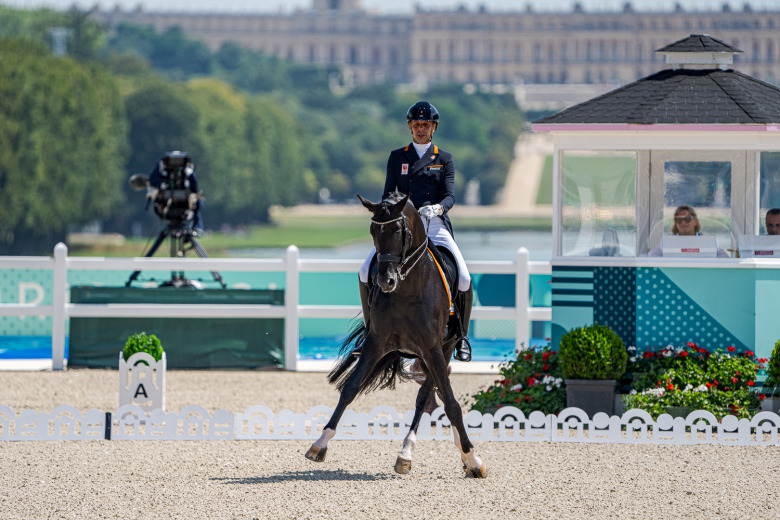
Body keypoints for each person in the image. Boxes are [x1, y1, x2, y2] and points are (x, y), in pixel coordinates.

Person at [357, 101, 473, 362]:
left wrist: (437, 209)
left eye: (426, 125)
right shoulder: (397, 157)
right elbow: (388, 193)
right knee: (365, 272)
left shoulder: (444, 159)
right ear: (410, 127)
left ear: (433, 128)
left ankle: (462, 336)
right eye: (416, 125)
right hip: (403, 228)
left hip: (435, 225)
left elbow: (450, 196)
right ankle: (369, 333)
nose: (421, 129)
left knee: (464, 278)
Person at [148, 151, 203, 234]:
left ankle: (197, 227)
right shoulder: (187, 170)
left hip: (171, 202)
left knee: (196, 201)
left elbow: (153, 181)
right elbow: (194, 189)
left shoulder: (163, 167)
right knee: (197, 201)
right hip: (176, 204)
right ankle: (197, 227)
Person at [648, 204, 729, 257]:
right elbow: (652, 255)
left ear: (695, 221)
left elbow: (724, 257)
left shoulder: (706, 240)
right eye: (679, 220)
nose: (683, 222)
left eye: (687, 219)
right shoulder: (669, 241)